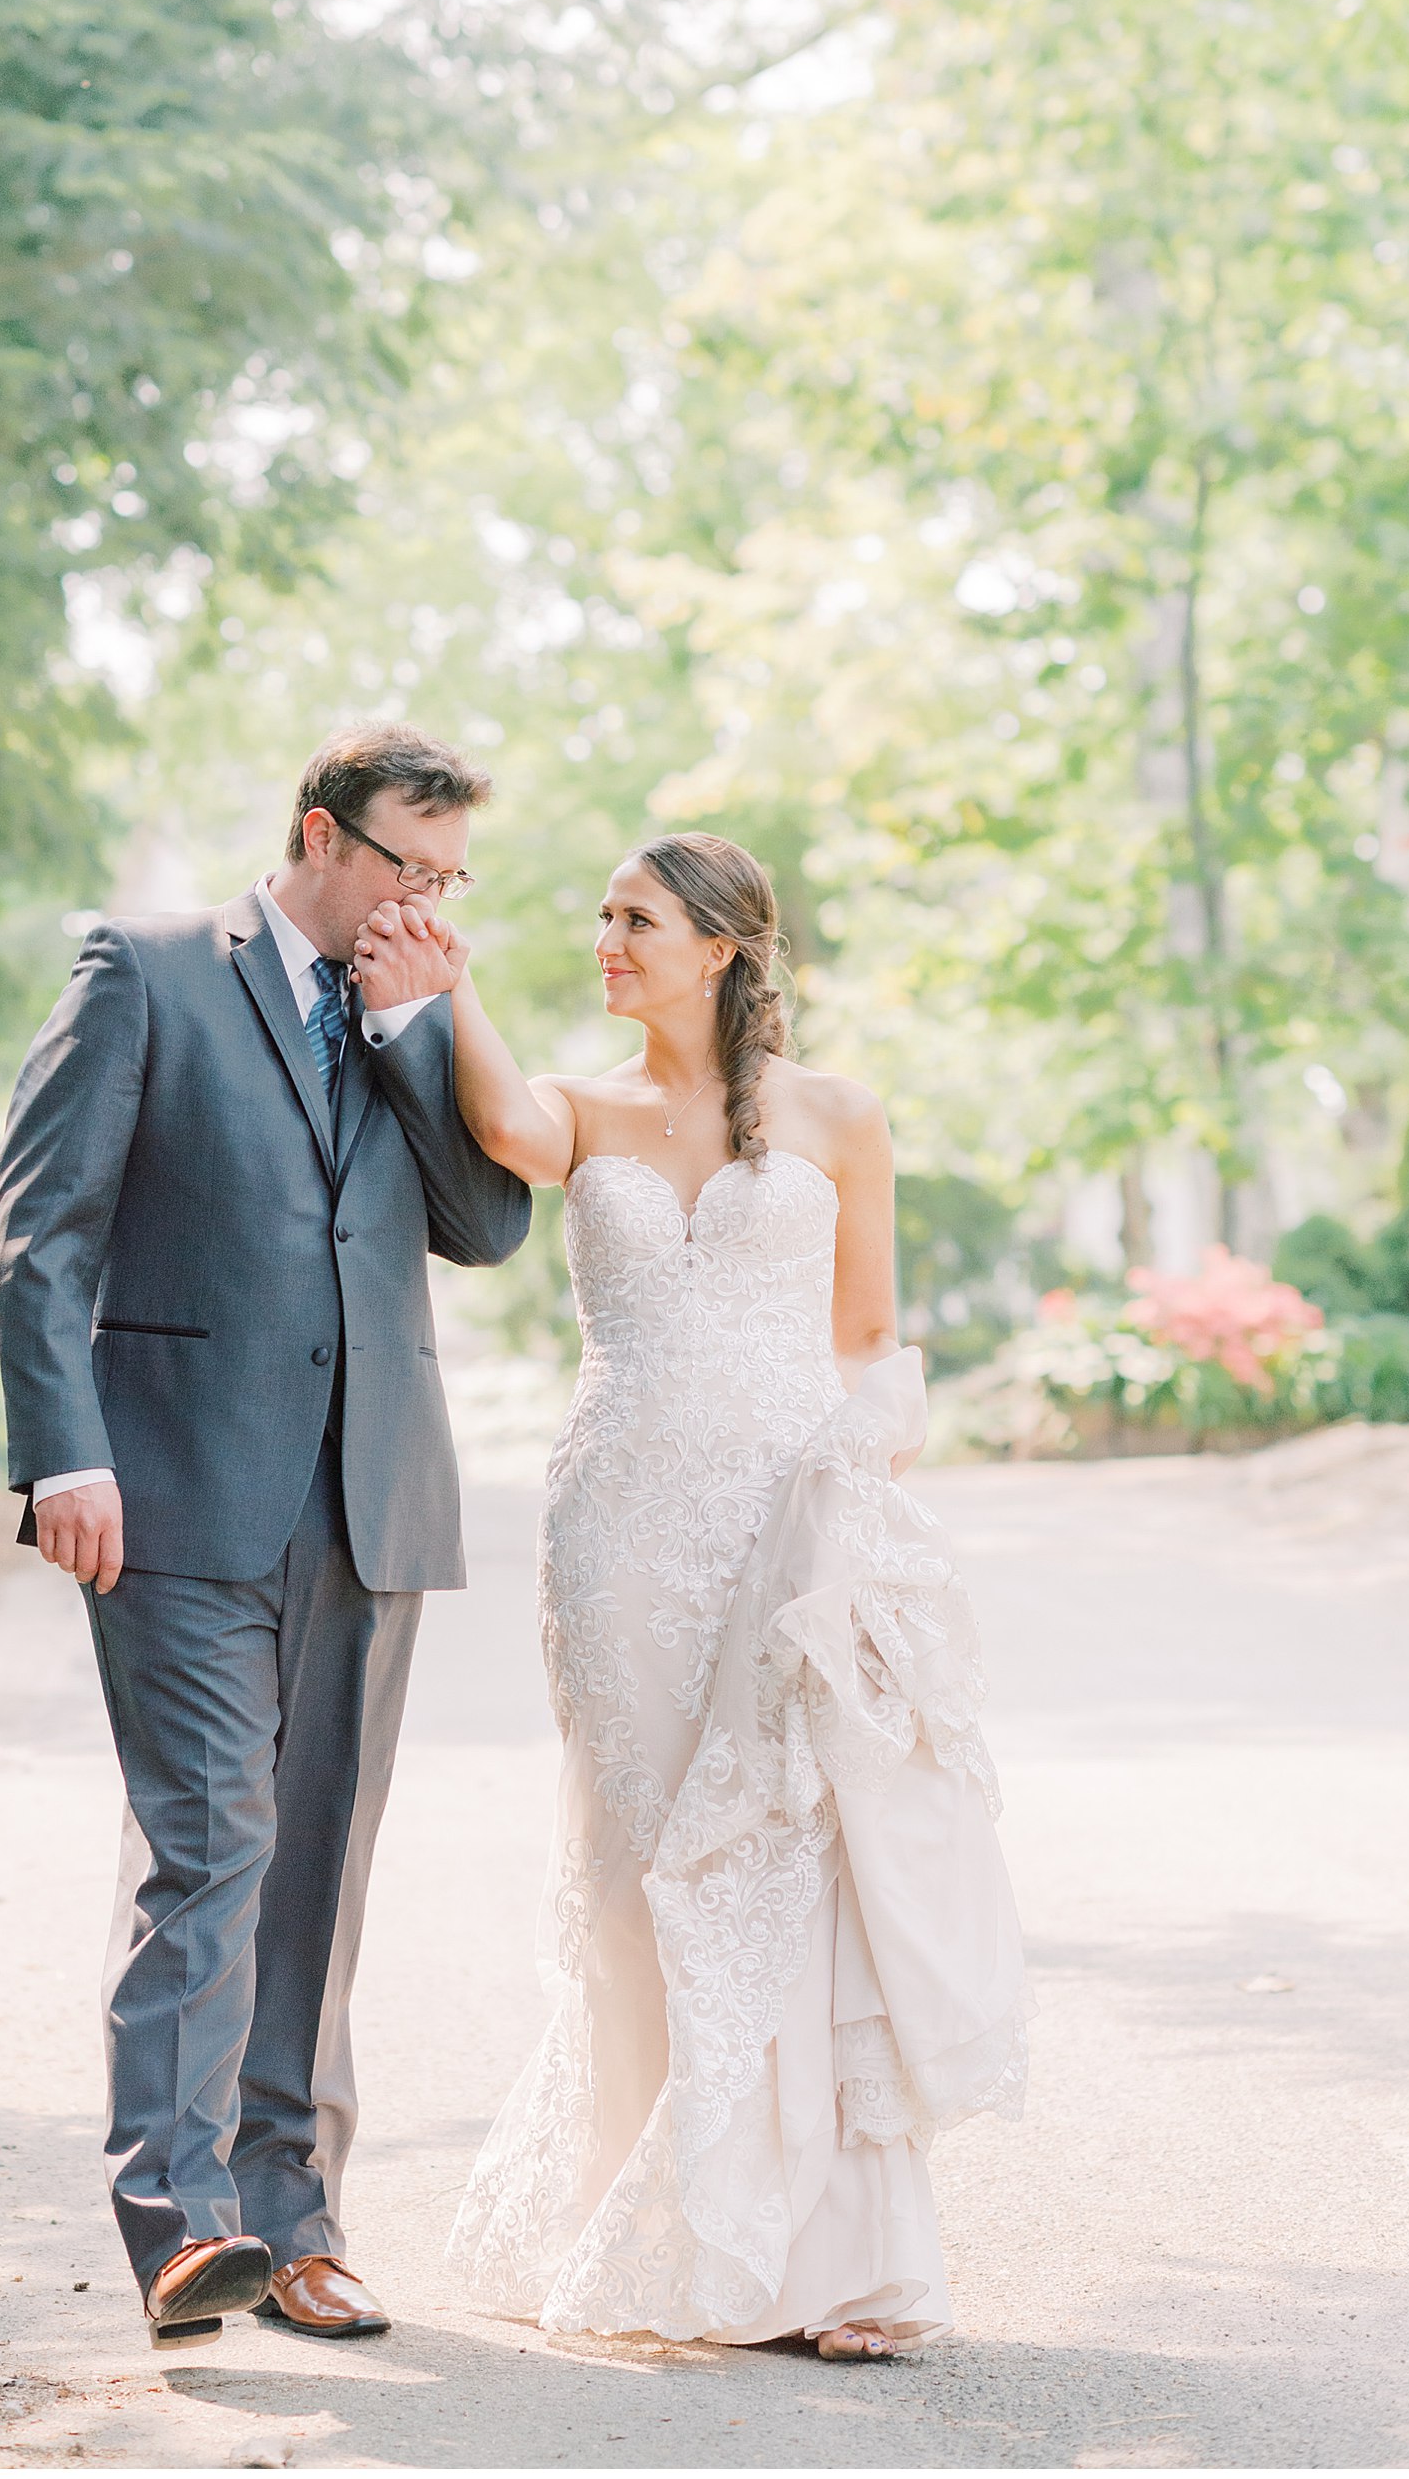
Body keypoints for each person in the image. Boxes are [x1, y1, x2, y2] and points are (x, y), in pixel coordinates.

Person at [353, 832, 1029, 2357]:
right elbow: (507, 1126)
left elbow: (872, 1343)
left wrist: (848, 1513)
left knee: (790, 1853)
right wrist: (446, 992)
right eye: (598, 913)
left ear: (722, 943)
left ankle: (834, 2260)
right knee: (635, 1861)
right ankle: (650, 2223)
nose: (606, 937)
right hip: (618, 1535)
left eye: (635, 918)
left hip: (781, 1535)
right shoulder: (582, 1110)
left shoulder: (844, 1117)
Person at [0, 729, 531, 2348]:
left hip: (368, 1499)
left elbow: (487, 1224)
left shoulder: (402, 1004)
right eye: (402, 866)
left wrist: (415, 1024)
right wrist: (60, 1453)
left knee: (317, 1869)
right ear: (318, 831)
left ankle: (297, 2219)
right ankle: (181, 2219)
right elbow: (41, 1231)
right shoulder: (146, 971)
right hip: (170, 1488)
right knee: (212, 1839)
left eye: (449, 878)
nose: (421, 899)